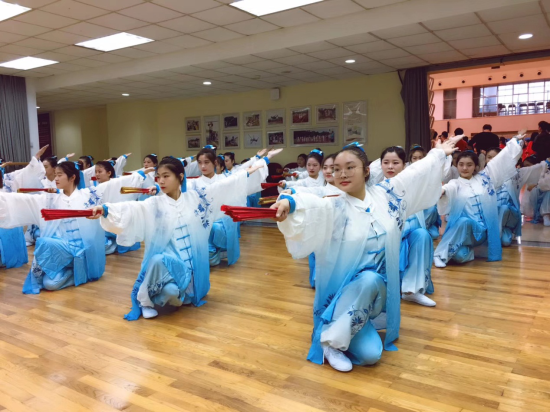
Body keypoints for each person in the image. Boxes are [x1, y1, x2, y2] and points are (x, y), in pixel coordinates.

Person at [270, 137, 460, 372]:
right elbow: (310, 203)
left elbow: (415, 173)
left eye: (350, 167)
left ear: (367, 171)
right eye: (336, 169)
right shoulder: (334, 204)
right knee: (371, 349)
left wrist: (438, 153)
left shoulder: (386, 194)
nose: (342, 174)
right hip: (345, 293)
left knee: (371, 342)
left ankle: (344, 331)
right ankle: (329, 341)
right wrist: (289, 203)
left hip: (377, 293)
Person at [88, 157, 266, 320]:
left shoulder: (195, 198)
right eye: (158, 177)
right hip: (168, 266)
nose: (161, 181)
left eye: (166, 176)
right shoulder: (154, 204)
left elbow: (223, 187)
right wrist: (106, 210)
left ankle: (183, 289)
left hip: (190, 266)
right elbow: (132, 208)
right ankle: (145, 301)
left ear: (180, 177)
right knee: (164, 276)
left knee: (184, 298)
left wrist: (247, 172)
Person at [0, 161, 106, 294]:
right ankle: (75, 272)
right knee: (48, 283)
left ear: (72, 177)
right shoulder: (51, 199)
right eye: (55, 175)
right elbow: (24, 200)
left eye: (60, 175)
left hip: (82, 251)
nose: (56, 178)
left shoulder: (88, 195)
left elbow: (113, 188)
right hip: (62, 251)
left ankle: (80, 270)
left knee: (50, 277)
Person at [434, 133, 525, 268]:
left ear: (476, 166)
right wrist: (442, 191)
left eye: (469, 165)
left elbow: (501, 160)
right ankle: (452, 254)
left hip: (482, 231)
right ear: (456, 166)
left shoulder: (485, 178)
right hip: (466, 232)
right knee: (460, 253)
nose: (465, 168)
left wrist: (514, 141)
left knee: (462, 237)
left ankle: (443, 254)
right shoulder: (455, 183)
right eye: (461, 164)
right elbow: (448, 188)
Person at [379, 146, 436, 307]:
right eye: (386, 162)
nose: (390, 166)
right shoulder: (376, 190)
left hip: (406, 237)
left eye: (395, 162)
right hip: (384, 242)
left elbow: (417, 219)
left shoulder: (413, 189)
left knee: (422, 234)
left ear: (404, 165)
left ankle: (411, 290)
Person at [485, 148, 547, 245]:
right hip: (489, 216)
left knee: (504, 208)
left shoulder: (515, 175)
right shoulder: (481, 177)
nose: (492, 160)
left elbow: (534, 169)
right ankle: (495, 232)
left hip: (509, 214)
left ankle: (498, 232)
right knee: (505, 241)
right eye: (489, 157)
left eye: (496, 157)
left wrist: (546, 162)